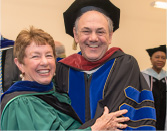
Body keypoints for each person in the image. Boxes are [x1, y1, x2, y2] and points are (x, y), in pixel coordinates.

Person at [1, 26, 130, 130]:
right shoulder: (20, 104)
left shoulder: (54, 92)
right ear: (20, 64)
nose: (45, 62)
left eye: (49, 55)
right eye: (35, 56)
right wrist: (95, 129)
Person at [54, 0, 156, 130]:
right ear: (76, 35)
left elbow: (116, 115)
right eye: (86, 31)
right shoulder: (63, 69)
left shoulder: (124, 65)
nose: (93, 38)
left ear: (110, 35)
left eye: (100, 32)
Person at [142, 45, 166, 130]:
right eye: (157, 57)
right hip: (148, 114)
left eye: (163, 58)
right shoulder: (143, 76)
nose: (160, 60)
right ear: (151, 59)